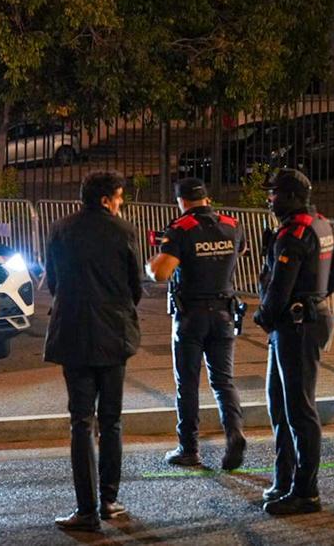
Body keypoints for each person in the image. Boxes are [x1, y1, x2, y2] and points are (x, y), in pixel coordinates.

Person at [44, 170, 144, 532]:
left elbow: (52, 281)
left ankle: (85, 510)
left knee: (81, 422)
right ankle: (110, 501)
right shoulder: (124, 231)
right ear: (106, 199)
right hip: (113, 335)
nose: (121, 204)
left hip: (72, 334)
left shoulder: (60, 229)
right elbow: (136, 286)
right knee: (112, 421)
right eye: (119, 197)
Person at [254, 168, 334, 516]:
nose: (270, 199)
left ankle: (306, 492)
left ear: (292, 196)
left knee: (298, 410)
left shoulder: (294, 233)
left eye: (275, 194)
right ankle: (285, 481)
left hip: (295, 326)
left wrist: (265, 315)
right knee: (279, 405)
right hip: (301, 320)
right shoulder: (320, 224)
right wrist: (315, 296)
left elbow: (280, 287)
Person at [146, 177, 247, 471]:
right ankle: (235, 433)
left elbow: (162, 273)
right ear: (207, 198)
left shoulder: (180, 229)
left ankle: (189, 449)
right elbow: (238, 253)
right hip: (225, 313)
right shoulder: (233, 224)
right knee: (223, 381)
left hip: (191, 316)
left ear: (181, 201)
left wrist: (150, 266)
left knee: (187, 384)